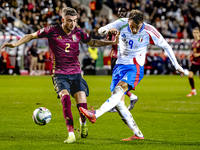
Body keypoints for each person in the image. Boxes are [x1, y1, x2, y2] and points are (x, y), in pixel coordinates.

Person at [1, 7, 119, 143]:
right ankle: (71, 134)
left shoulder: (78, 32)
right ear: (63, 20)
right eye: (69, 21)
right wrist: (15, 44)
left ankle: (83, 123)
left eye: (75, 21)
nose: (72, 24)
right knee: (65, 98)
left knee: (82, 107)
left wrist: (110, 42)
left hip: (76, 73)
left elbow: (92, 42)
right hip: (59, 73)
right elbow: (31, 36)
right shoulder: (52, 30)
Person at [79, 9, 184, 141]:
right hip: (119, 66)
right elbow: (100, 30)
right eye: (132, 27)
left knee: (119, 90)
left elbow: (167, 46)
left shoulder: (149, 31)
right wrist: (108, 30)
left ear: (142, 23)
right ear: (128, 21)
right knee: (118, 103)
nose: (134, 30)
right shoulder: (121, 23)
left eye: (137, 27)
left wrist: (177, 66)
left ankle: (95, 114)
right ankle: (138, 134)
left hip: (135, 67)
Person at [107, 6, 138, 113]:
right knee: (117, 81)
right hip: (114, 56)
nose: (121, 14)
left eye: (123, 12)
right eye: (119, 12)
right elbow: (107, 39)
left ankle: (117, 104)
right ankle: (131, 97)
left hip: (120, 58)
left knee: (118, 81)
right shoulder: (114, 26)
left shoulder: (127, 28)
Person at [187, 27, 200, 97]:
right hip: (195, 62)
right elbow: (194, 52)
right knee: (190, 75)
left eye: (197, 32)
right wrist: (190, 55)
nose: (195, 34)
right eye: (194, 32)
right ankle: (193, 90)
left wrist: (198, 54)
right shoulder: (193, 42)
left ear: (199, 33)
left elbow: (198, 53)